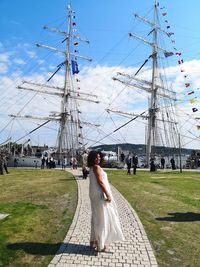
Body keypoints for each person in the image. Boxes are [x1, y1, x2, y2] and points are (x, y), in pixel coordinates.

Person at [87, 150, 124, 252]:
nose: (98, 159)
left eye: (99, 157)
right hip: (99, 195)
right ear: (92, 158)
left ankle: (93, 241)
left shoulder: (91, 167)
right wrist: (108, 194)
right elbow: (100, 182)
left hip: (93, 195)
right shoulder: (96, 167)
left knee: (96, 217)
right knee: (102, 219)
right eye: (96, 157)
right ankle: (101, 245)